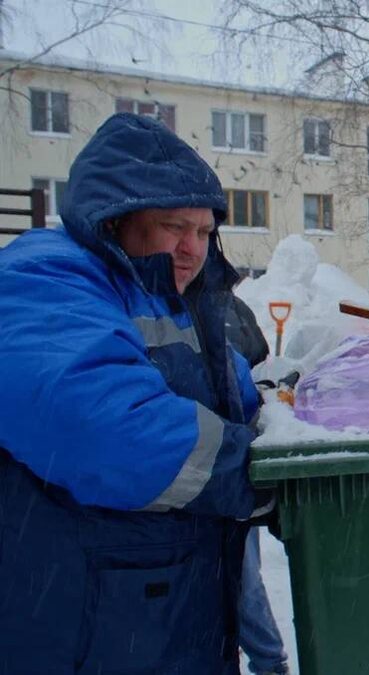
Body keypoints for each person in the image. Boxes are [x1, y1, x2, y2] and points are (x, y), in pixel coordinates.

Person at [0, 113, 267, 674]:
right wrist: (256, 474)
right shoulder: (42, 278)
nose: (192, 248)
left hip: (167, 625)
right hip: (85, 629)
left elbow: (240, 399)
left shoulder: (179, 300)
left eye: (202, 231)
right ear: (117, 221)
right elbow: (101, 427)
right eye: (174, 227)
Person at [226, 294, 291, 675]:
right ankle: (268, 662)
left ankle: (269, 662)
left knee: (240, 576)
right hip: (215, 464)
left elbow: (258, 364)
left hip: (230, 463)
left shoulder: (227, 307)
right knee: (239, 578)